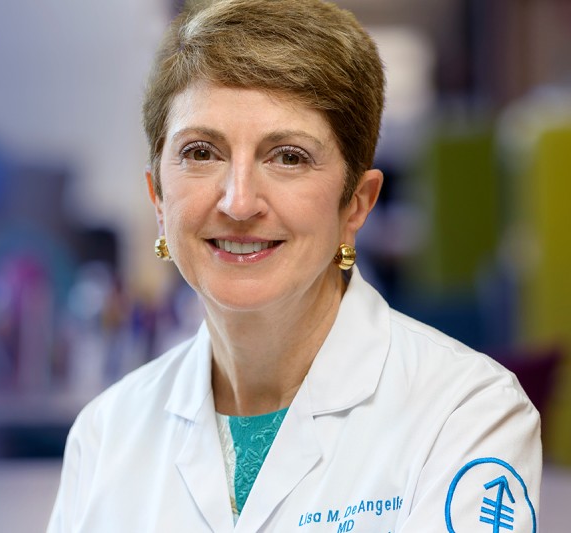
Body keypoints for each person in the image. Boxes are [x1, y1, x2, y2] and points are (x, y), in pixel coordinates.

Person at [48, 0, 541, 531]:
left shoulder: (467, 414)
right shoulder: (105, 435)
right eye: (201, 152)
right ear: (159, 199)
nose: (239, 202)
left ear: (356, 204)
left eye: (288, 156)